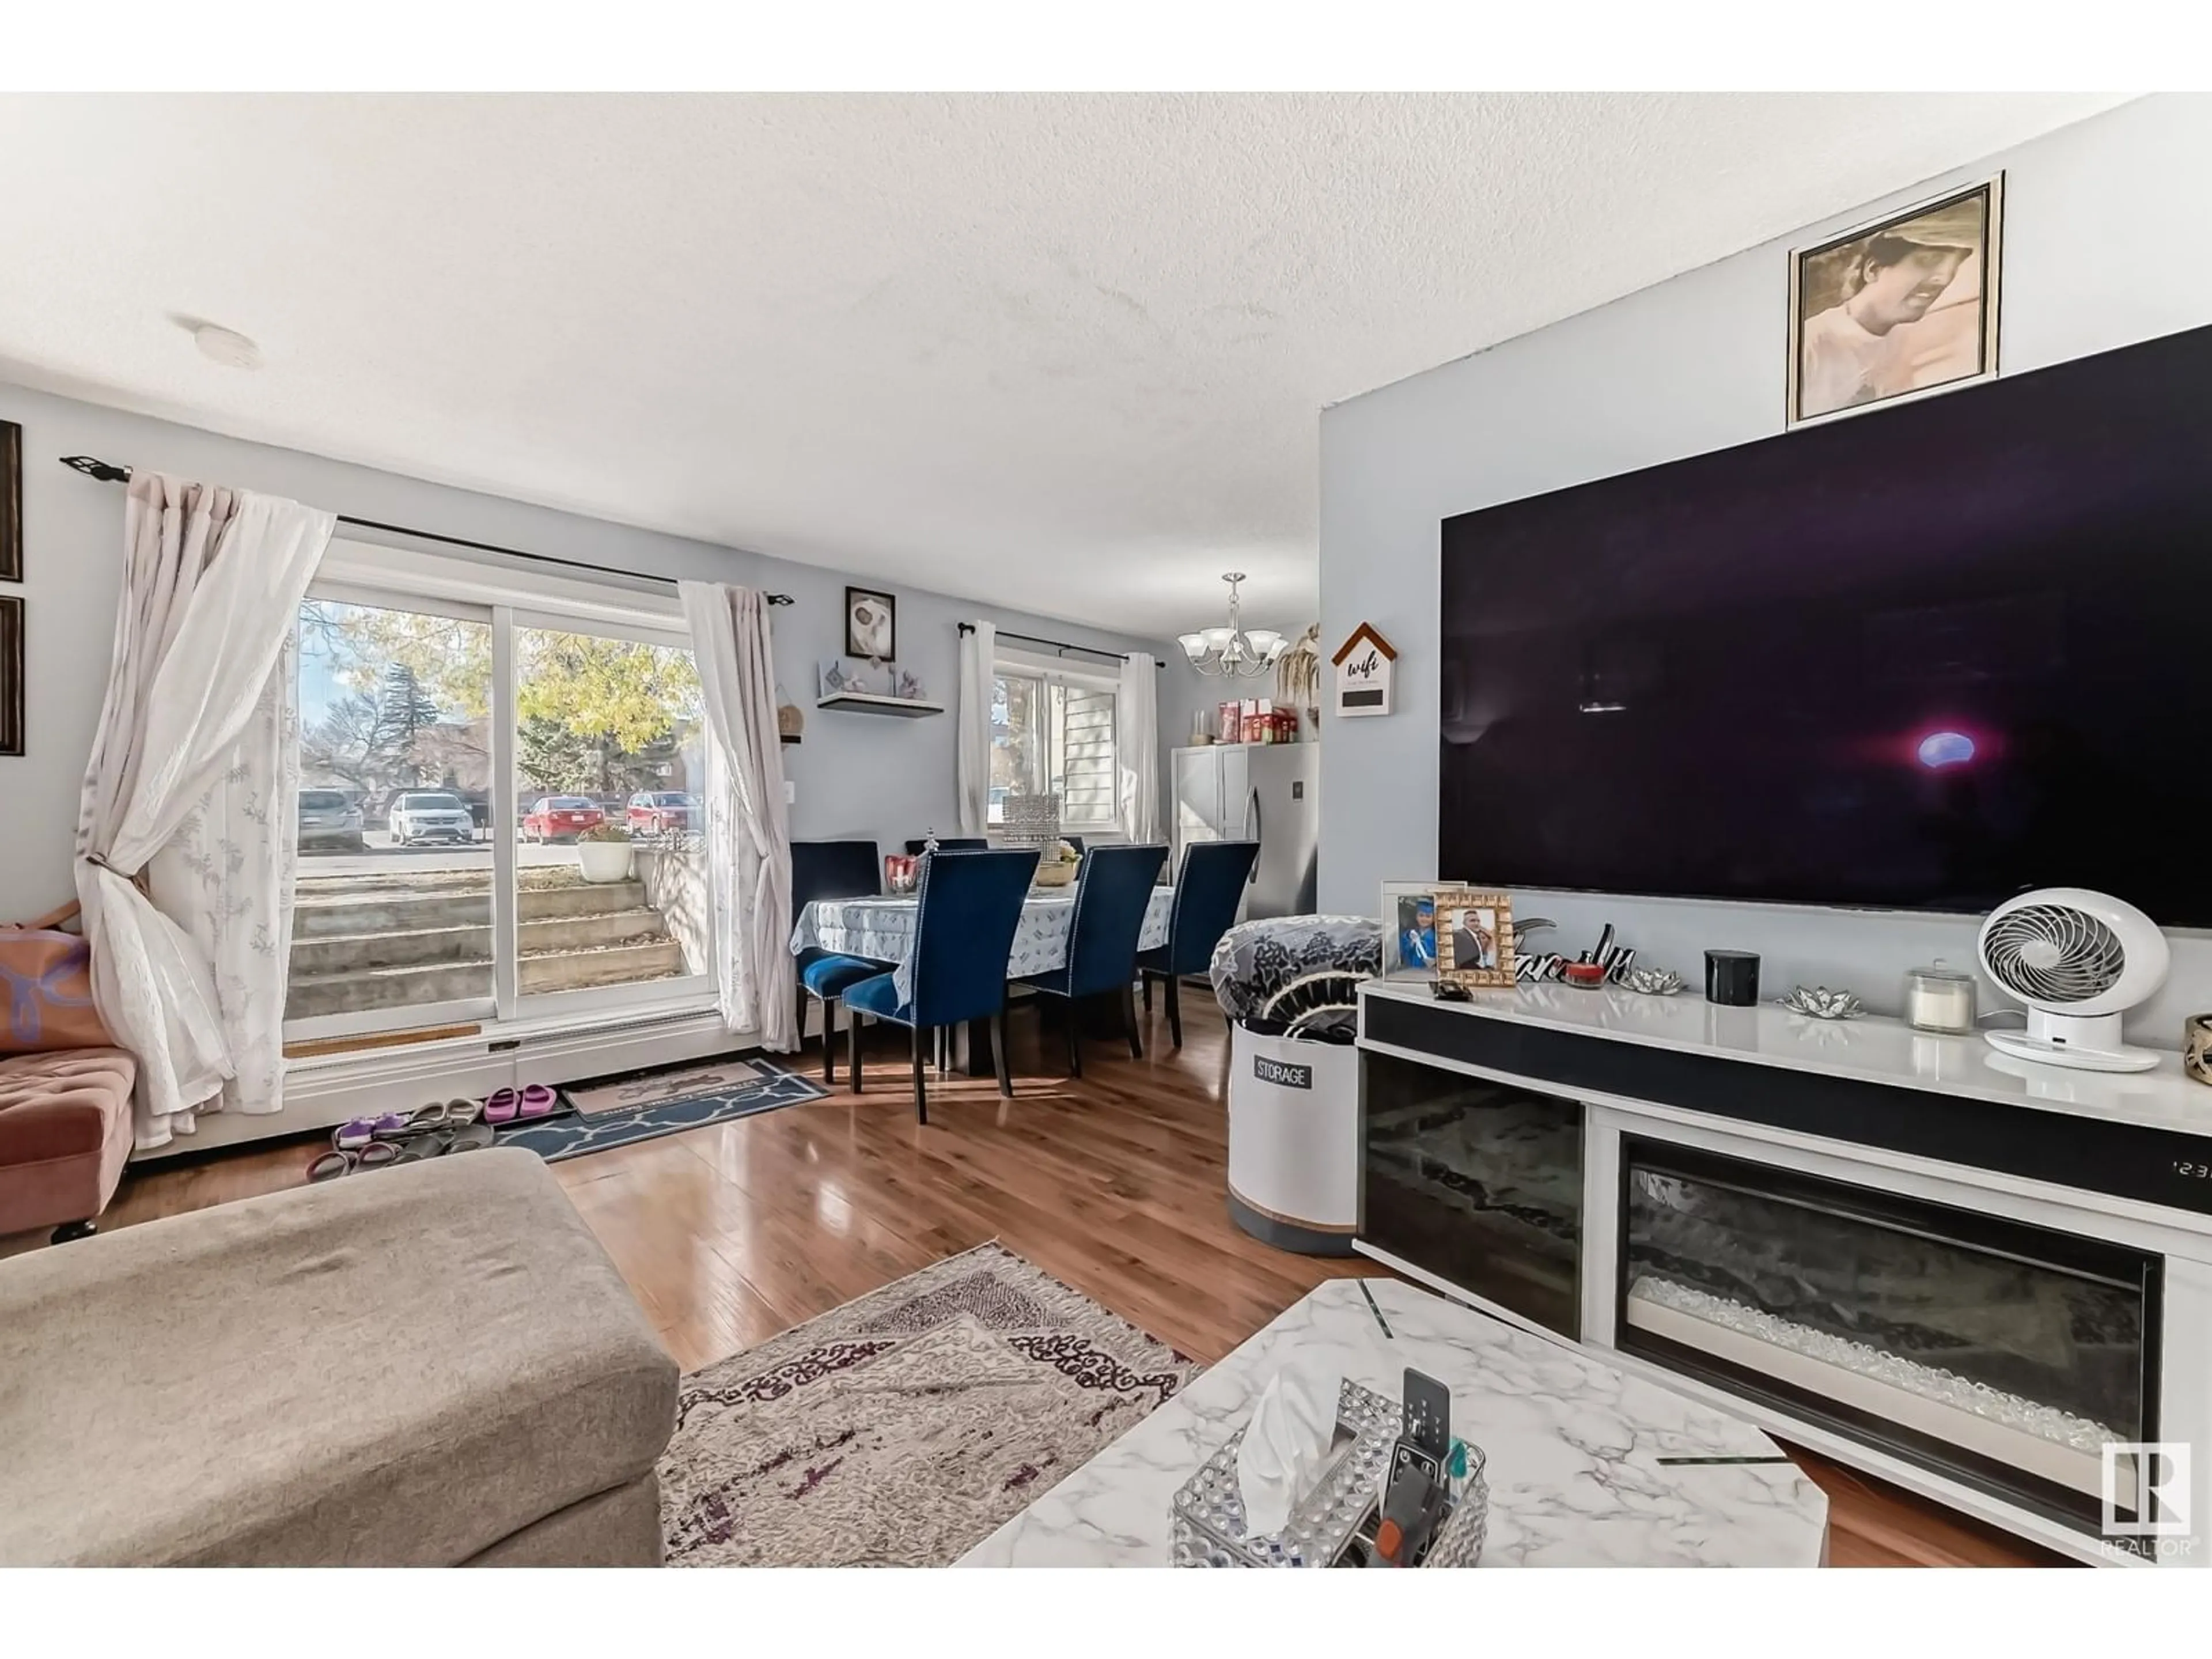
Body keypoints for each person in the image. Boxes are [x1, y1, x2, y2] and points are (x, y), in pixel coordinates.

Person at [1799, 231, 1972, 416]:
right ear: (1873, 270)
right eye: (1929, 259)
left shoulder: (1909, 340)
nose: (1945, 279)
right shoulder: (1810, 346)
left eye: (1956, 266)